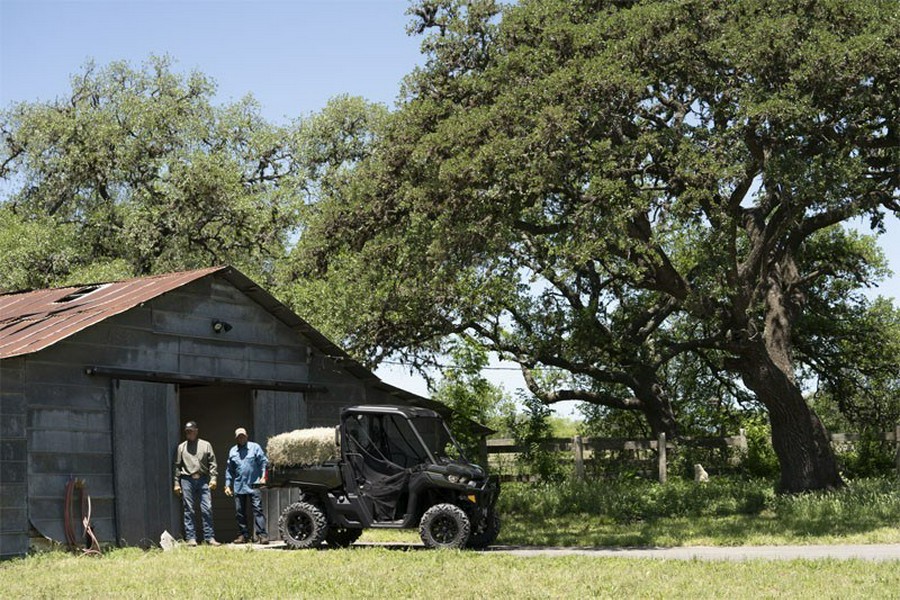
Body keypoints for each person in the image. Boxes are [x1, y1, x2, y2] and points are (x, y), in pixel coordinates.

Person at [173, 421, 220, 546]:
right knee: (189, 509)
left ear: (196, 431)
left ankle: (209, 537)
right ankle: (191, 538)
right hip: (186, 479)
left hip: (203, 479)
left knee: (207, 508)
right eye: (187, 431)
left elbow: (213, 463)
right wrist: (176, 483)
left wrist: (214, 478)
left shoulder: (206, 445)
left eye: (192, 431)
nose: (190, 433)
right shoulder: (181, 447)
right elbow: (177, 466)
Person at [224, 427, 269, 544]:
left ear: (247, 436)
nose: (241, 438)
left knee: (258, 510)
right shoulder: (233, 451)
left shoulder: (255, 447)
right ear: (236, 438)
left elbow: (264, 462)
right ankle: (243, 535)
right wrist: (227, 485)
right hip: (239, 486)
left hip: (254, 484)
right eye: (239, 436)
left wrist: (264, 477)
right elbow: (229, 470)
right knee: (239, 512)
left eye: (243, 436)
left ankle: (262, 535)